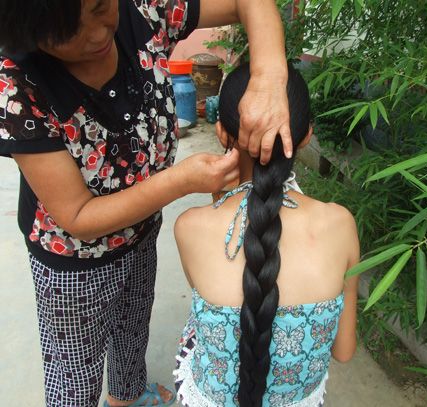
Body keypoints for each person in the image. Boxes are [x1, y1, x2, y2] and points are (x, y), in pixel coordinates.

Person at [0, 1, 293, 406]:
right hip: (72, 263)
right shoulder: (16, 83)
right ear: (30, 37)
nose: (100, 34)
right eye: (69, 33)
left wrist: (269, 74)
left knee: (132, 326)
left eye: (102, 8)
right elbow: (78, 218)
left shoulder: (144, 10)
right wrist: (180, 181)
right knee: (75, 371)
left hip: (141, 230)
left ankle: (126, 396)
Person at [173, 62, 360, 407]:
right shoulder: (341, 224)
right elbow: (344, 350)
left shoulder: (189, 227)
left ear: (221, 132)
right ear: (305, 136)